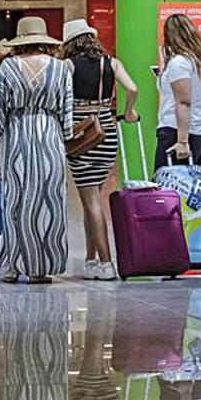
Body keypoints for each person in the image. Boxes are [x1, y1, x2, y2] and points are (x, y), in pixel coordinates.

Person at [0, 17, 72, 283]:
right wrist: (66, 136)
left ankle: (12, 266)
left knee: (15, 202)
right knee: (49, 201)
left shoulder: (8, 68)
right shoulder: (60, 69)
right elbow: (66, 110)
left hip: (16, 137)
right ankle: (40, 268)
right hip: (50, 137)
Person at [61, 18, 138, 280]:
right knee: (91, 197)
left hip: (81, 132)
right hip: (106, 128)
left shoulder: (68, 65)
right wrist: (127, 112)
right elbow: (133, 88)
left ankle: (106, 263)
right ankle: (91, 259)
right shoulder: (111, 63)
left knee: (91, 200)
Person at [155, 13, 201, 172]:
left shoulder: (179, 62)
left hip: (181, 133)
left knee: (170, 190)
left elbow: (184, 102)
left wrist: (182, 141)